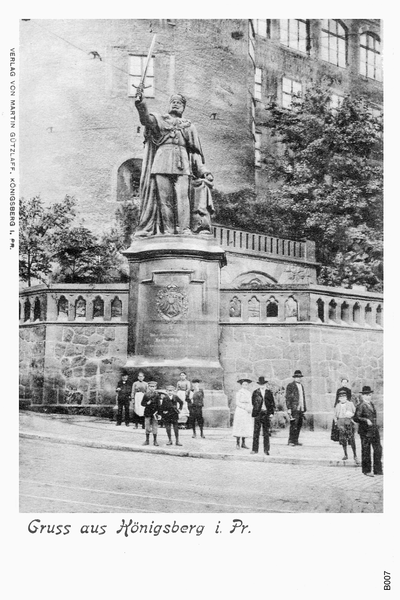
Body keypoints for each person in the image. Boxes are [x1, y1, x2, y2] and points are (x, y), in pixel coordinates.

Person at [134, 91, 213, 236]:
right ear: (169, 105)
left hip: (182, 162)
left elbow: (195, 152)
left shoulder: (189, 126)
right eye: (173, 101)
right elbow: (145, 119)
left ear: (183, 108)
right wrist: (140, 103)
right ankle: (168, 231)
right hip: (161, 161)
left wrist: (203, 170)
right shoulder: (160, 120)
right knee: (165, 200)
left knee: (183, 198)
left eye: (179, 102)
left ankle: (185, 229)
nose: (176, 104)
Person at [353, 386, 383, 477]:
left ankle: (377, 469)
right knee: (366, 451)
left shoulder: (372, 404)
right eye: (366, 395)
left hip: (374, 430)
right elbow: (356, 418)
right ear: (362, 396)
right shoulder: (361, 406)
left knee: (378, 449)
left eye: (369, 395)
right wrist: (366, 420)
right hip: (365, 432)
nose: (368, 397)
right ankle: (366, 470)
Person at [250, 376, 275, 455]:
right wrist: (256, 411)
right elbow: (253, 402)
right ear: (259, 385)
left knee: (266, 432)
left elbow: (272, 403)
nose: (262, 385)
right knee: (256, 432)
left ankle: (266, 450)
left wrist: (271, 413)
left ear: (265, 384)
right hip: (258, 413)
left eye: (263, 384)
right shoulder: (255, 392)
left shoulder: (269, 392)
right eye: (260, 384)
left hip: (266, 413)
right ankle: (254, 449)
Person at [334, 389, 359, 464]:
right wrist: (336, 421)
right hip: (341, 423)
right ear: (339, 398)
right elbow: (335, 415)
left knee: (351, 439)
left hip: (348, 422)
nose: (342, 398)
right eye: (340, 397)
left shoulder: (350, 404)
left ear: (346, 397)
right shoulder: (338, 405)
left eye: (344, 397)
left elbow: (355, 412)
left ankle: (355, 455)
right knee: (343, 439)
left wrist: (351, 415)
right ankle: (345, 454)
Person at [286, 369, 307, 446]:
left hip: (300, 408)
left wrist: (304, 408)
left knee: (299, 425)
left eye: (300, 377)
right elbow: (288, 398)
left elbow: (302, 397)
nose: (298, 378)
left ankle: (296, 440)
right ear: (294, 378)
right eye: (297, 377)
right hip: (294, 408)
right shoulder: (290, 386)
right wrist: (289, 408)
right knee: (293, 424)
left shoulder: (301, 386)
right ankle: (291, 441)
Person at [232, 378, 253, 449]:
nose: (245, 386)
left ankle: (243, 443)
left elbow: (250, 402)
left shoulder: (249, 393)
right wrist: (244, 407)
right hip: (240, 410)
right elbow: (237, 402)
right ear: (241, 385)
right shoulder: (239, 392)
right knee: (239, 426)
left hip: (247, 411)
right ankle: (237, 443)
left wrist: (250, 408)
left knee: (245, 426)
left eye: (246, 385)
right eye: (243, 384)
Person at [141, 381, 161, 446]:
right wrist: (147, 403)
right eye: (151, 387)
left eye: (153, 387)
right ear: (149, 387)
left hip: (154, 413)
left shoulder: (157, 395)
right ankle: (147, 440)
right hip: (147, 412)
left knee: (155, 427)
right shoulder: (146, 394)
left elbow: (159, 405)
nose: (152, 388)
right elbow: (142, 403)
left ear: (155, 387)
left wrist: (159, 413)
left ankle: (155, 441)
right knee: (147, 427)